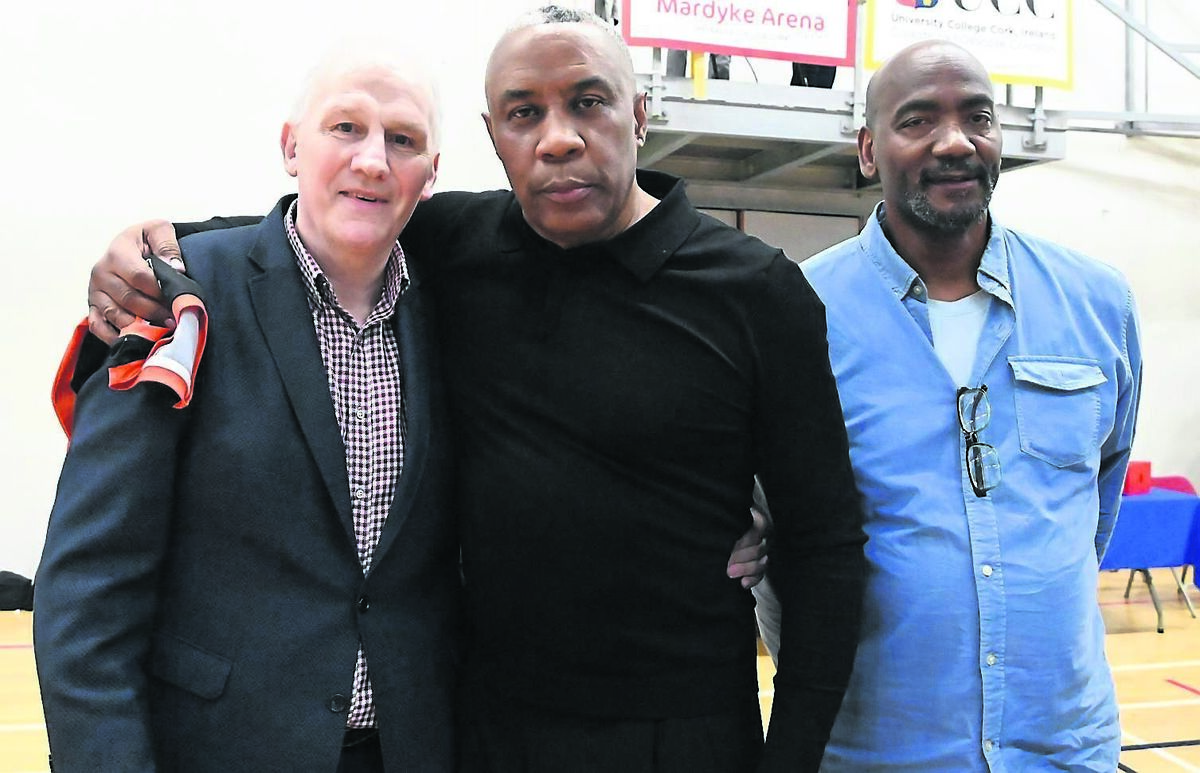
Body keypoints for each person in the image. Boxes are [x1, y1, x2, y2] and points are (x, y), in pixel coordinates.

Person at [77, 7, 865, 771]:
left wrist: (792, 756)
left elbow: (824, 547)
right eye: (524, 113)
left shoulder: (759, 291)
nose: (558, 138)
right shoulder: (457, 247)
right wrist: (156, 244)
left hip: (687, 733)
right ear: (494, 138)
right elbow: (316, 224)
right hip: (486, 730)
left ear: (641, 111)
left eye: (588, 102)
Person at [35, 45, 460, 772]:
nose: (371, 160)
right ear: (292, 147)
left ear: (431, 176)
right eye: (345, 128)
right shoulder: (180, 300)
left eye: (403, 139)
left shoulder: (456, 312)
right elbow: (86, 590)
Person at [753, 40, 1142, 771]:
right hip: (877, 752)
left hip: (1062, 751)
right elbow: (778, 544)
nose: (955, 141)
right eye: (918, 120)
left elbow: (1093, 508)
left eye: (978, 117)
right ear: (868, 149)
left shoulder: (1098, 303)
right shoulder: (795, 313)